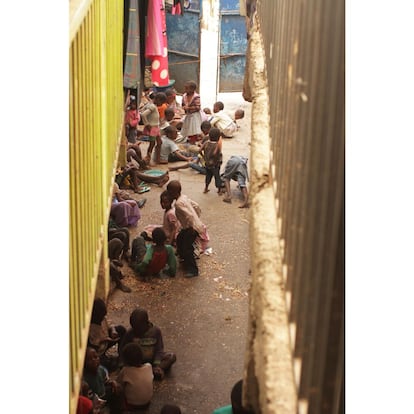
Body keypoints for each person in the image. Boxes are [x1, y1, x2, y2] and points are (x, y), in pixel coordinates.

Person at [166, 180, 209, 277]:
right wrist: (197, 217)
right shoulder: (183, 197)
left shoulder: (178, 204)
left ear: (173, 193)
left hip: (191, 228)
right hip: (192, 226)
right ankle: (183, 258)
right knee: (180, 239)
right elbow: (196, 206)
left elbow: (189, 216)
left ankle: (193, 270)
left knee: (187, 248)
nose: (168, 195)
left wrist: (191, 226)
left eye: (169, 193)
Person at [120, 308, 177, 380]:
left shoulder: (156, 331)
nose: (136, 330)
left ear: (146, 323)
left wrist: (156, 364)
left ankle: (156, 370)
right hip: (137, 363)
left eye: (138, 328)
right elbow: (123, 349)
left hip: (152, 361)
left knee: (171, 356)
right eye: (133, 327)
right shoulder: (130, 333)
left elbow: (159, 349)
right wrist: (122, 365)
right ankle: (150, 372)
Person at [88, 298, 127, 369]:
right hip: (99, 351)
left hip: (106, 341)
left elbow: (109, 327)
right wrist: (104, 340)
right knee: (104, 363)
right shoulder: (89, 328)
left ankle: (121, 356)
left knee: (121, 329)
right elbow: (92, 349)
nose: (103, 318)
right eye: (101, 317)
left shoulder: (102, 319)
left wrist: (113, 330)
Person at [82, 347, 123, 414]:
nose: (94, 360)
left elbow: (106, 381)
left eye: (96, 357)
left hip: (103, 394)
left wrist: (112, 382)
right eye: (90, 359)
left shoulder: (101, 370)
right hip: (94, 401)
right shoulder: (85, 378)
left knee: (118, 389)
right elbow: (89, 398)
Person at [117, 343, 154, 411]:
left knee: (116, 389)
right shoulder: (149, 366)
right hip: (147, 403)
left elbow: (118, 384)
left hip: (132, 406)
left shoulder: (125, 370)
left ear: (125, 360)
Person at [200, 127, 224, 194]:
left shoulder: (206, 143)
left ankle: (206, 188)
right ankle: (219, 190)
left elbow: (199, 150)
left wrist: (203, 156)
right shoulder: (217, 145)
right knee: (217, 177)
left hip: (207, 164)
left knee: (208, 176)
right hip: (215, 165)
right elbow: (215, 154)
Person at [140, 92, 161, 163]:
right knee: (152, 143)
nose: (161, 104)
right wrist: (147, 124)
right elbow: (143, 114)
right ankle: (148, 157)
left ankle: (157, 157)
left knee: (159, 142)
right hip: (153, 128)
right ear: (158, 99)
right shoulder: (152, 106)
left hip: (155, 127)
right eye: (161, 102)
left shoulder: (151, 105)